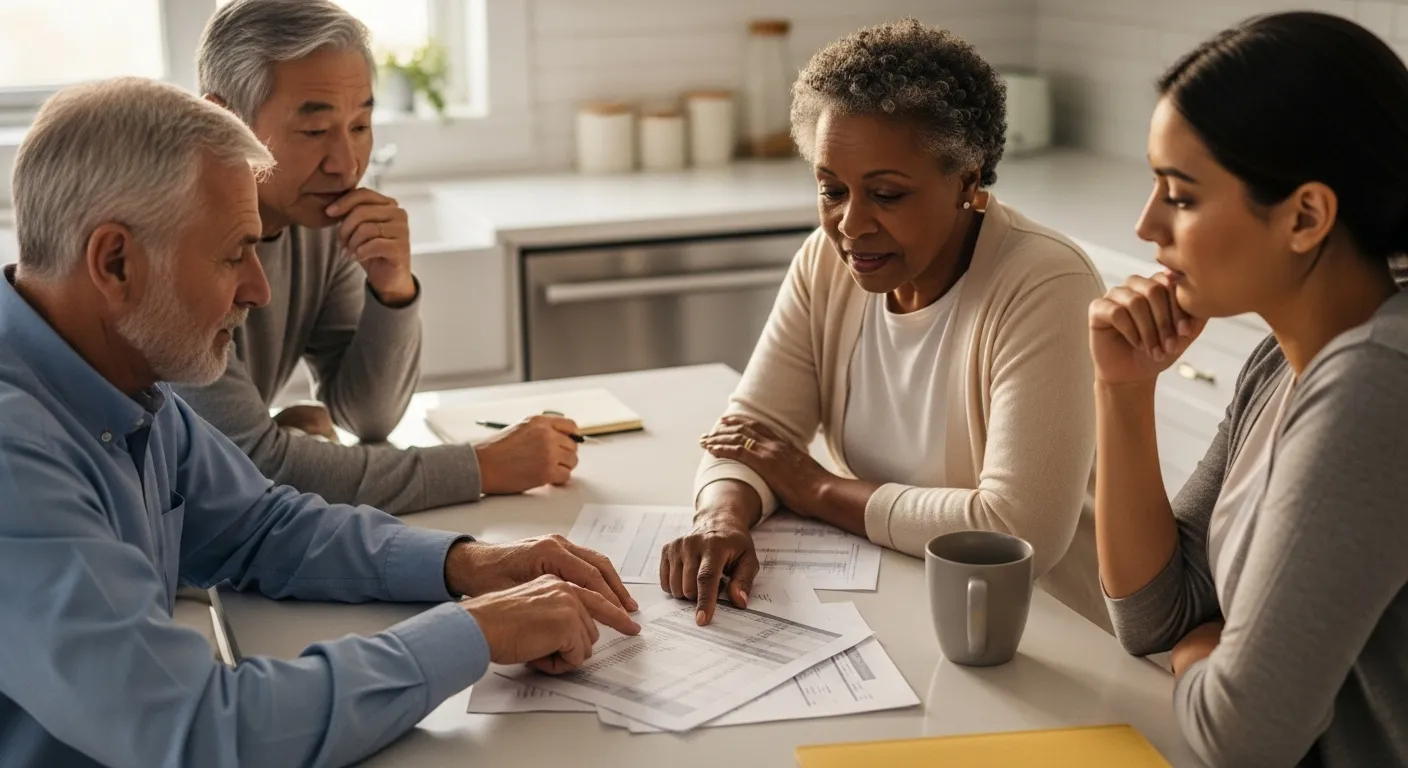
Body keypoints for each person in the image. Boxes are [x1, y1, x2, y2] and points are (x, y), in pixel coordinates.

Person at [0, 77, 640, 768]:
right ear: (115, 261)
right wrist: (474, 634)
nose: (258, 287)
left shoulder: (121, 372)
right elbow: (203, 731)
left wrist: (471, 563)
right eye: (231, 254)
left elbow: (259, 526)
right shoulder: (16, 455)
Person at [659, 20, 1110, 631]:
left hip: (1052, 634)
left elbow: (1013, 529)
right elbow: (752, 433)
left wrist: (818, 489)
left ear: (967, 183)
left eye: (887, 194)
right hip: (908, 607)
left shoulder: (1045, 284)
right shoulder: (829, 261)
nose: (850, 224)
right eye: (831, 190)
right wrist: (721, 519)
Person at [1091, 12, 1408, 767]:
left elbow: (1240, 742)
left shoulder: (1376, 384)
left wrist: (1204, 656)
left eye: (1182, 195)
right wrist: (1123, 390)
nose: (1146, 225)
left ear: (1305, 216)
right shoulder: (1281, 359)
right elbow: (1157, 615)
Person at [174, 0, 578, 515]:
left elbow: (366, 417)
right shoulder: (175, 241)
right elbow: (251, 468)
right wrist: (482, 467)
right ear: (224, 118)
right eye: (315, 132)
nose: (345, 165)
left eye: (361, 126)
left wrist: (393, 290)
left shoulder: (317, 218)